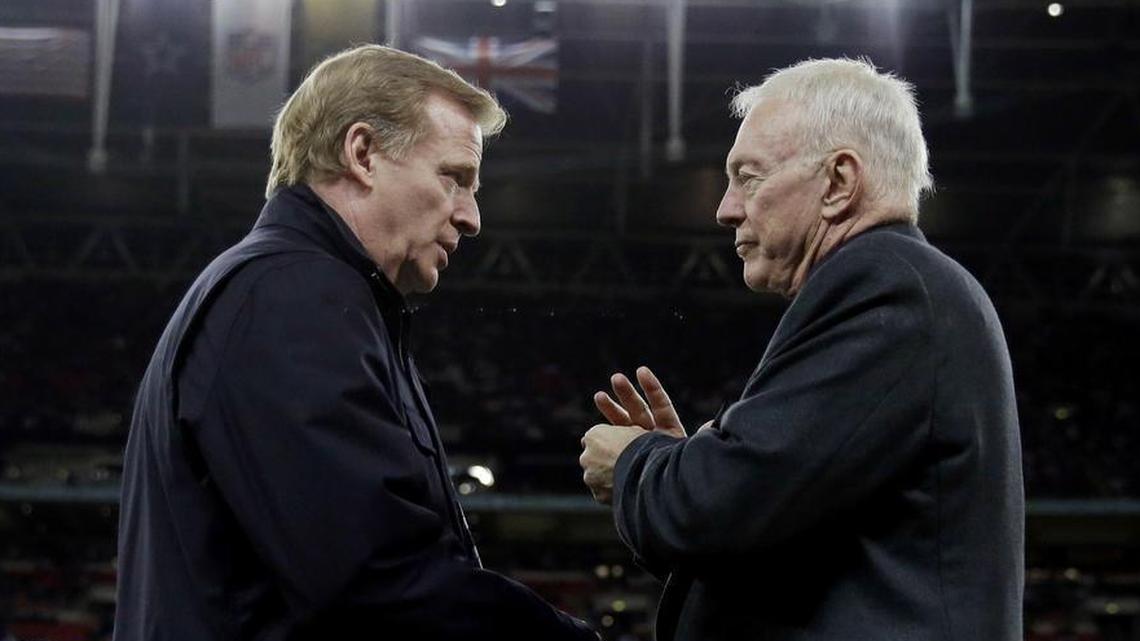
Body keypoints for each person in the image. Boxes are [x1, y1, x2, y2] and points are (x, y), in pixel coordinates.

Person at [114, 45, 596, 641]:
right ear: (363, 154)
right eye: (454, 178)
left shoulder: (296, 291)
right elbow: (378, 581)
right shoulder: (291, 295)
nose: (471, 217)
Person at [579, 58, 1023, 641]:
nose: (725, 209)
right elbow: (767, 535)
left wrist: (637, 465)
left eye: (749, 177)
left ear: (839, 182)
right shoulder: (905, 288)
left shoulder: (883, 285)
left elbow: (720, 509)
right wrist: (679, 467)